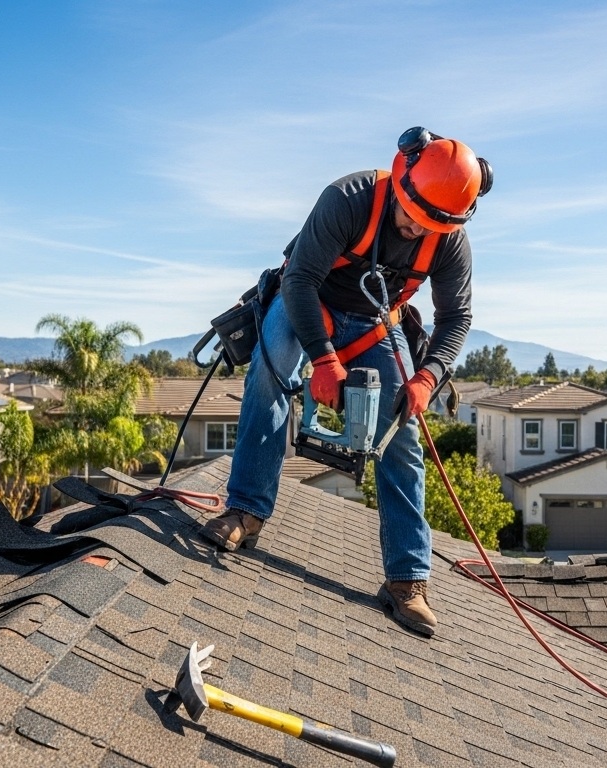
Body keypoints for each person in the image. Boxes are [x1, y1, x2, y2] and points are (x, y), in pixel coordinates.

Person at [200, 127, 492, 637]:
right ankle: (245, 512)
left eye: (431, 227)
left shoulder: (449, 242)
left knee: (402, 430)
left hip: (376, 320)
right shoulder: (348, 199)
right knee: (270, 373)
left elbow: (457, 318)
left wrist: (428, 375)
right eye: (410, 216)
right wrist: (325, 362)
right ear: (401, 181)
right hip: (308, 304)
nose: (415, 230)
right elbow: (299, 281)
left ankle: (407, 579)